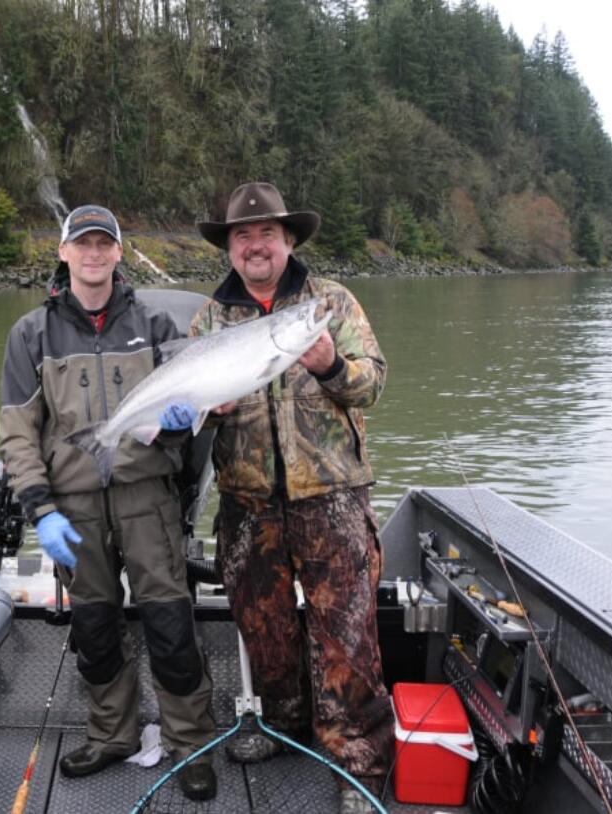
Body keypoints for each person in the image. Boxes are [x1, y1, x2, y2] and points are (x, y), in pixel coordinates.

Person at [180, 182, 393, 813]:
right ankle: (284, 728)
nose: (254, 246)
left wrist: (330, 364)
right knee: (265, 635)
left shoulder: (330, 303)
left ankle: (356, 762)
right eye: (242, 236)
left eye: (266, 233)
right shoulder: (209, 320)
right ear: (229, 248)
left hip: (332, 499)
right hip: (248, 506)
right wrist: (204, 410)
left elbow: (373, 383)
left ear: (288, 240)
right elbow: (193, 410)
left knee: (346, 640)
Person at [0, 205, 217, 801]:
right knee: (94, 626)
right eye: (82, 244)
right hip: (72, 509)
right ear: (63, 252)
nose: (94, 254)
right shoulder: (30, 334)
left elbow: (190, 413)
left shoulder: (156, 324)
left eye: (105, 244)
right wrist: (40, 511)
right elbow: (18, 433)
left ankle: (189, 742)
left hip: (148, 498)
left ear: (120, 253)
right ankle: (110, 734)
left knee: (171, 623)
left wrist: (179, 424)